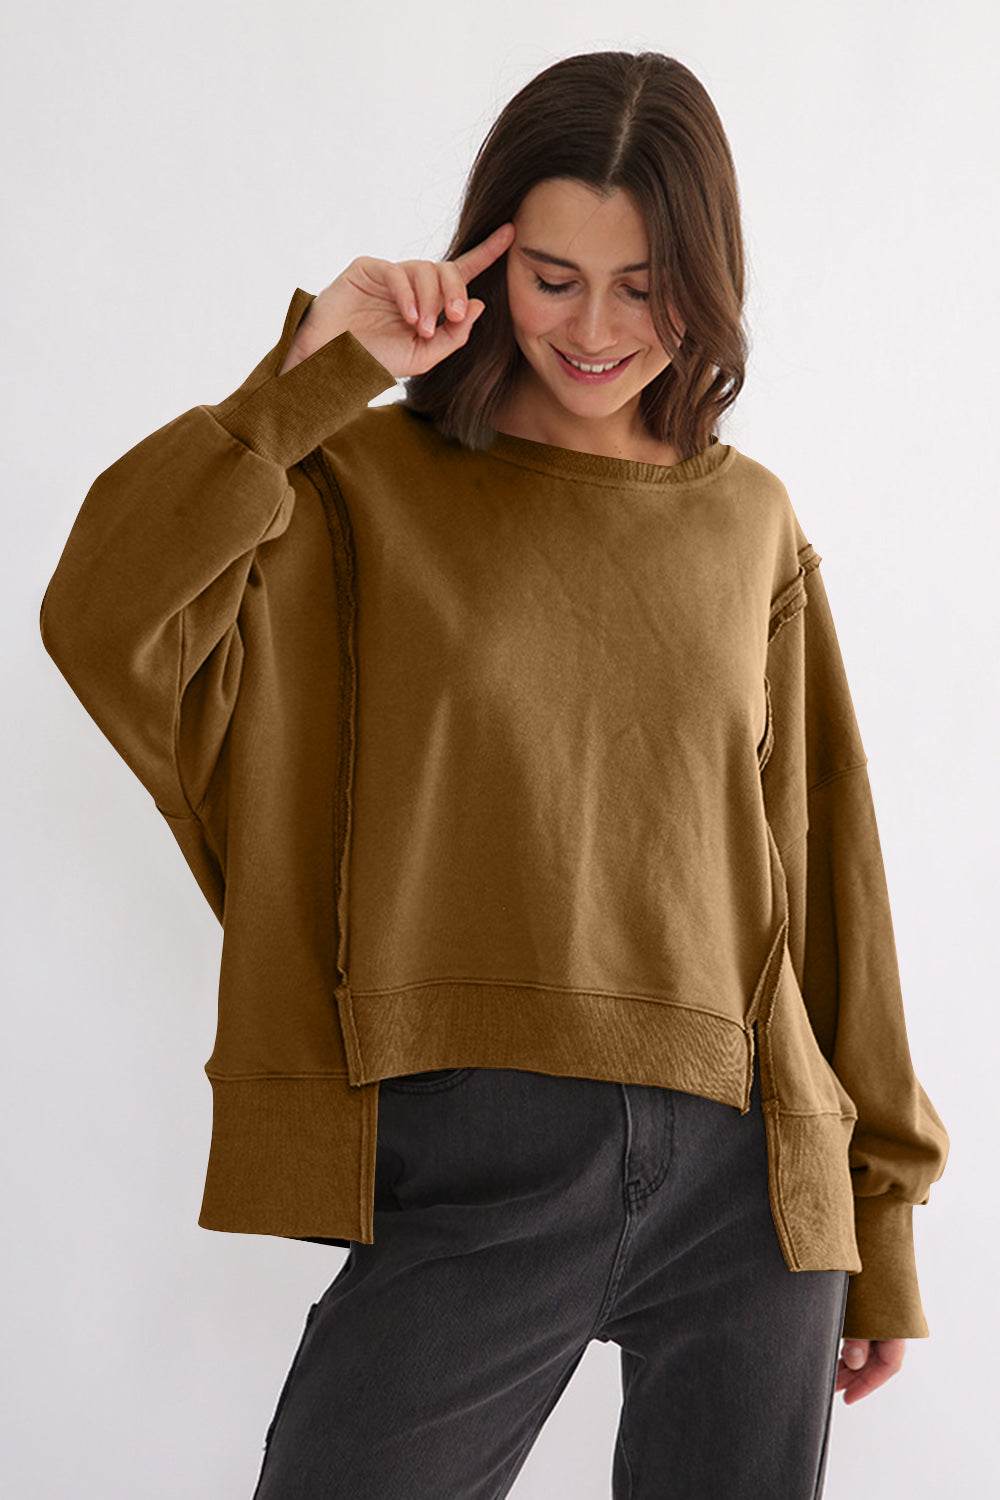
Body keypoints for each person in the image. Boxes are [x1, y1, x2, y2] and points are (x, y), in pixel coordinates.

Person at [39, 50, 948, 1499]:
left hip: (749, 1181)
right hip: (476, 1147)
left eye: (645, 286)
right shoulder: (356, 487)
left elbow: (827, 868)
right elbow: (102, 620)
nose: (594, 329)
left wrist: (880, 1219)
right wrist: (303, 385)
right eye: (553, 278)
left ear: (708, 286)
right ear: (487, 261)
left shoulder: (749, 523)